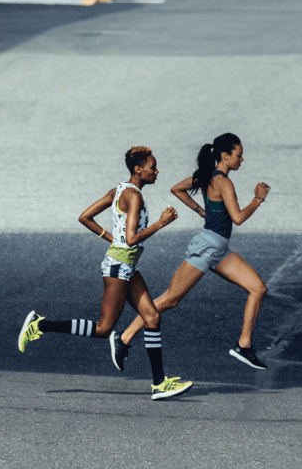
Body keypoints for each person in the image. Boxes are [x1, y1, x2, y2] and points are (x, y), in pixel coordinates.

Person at [17, 146, 193, 401]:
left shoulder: (118, 190)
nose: (157, 171)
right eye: (152, 167)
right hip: (118, 268)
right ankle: (40, 324)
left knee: (152, 316)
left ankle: (160, 383)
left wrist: (112, 239)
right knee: (103, 328)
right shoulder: (134, 197)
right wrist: (160, 223)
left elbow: (85, 217)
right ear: (138, 169)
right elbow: (131, 239)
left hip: (125, 265)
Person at [111, 133, 271, 371]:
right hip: (207, 247)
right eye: (239, 155)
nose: (242, 159)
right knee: (170, 299)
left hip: (219, 250)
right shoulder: (223, 182)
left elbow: (177, 188)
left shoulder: (208, 176)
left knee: (258, 288)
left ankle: (244, 345)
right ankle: (123, 338)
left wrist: (199, 209)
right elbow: (237, 218)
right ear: (225, 156)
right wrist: (258, 199)